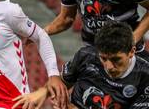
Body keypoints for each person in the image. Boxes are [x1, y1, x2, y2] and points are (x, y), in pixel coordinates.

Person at [13, 21, 149, 109]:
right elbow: (63, 81)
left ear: (132, 51)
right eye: (103, 58)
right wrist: (43, 92)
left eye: (116, 59)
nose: (109, 67)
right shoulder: (86, 55)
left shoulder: (145, 75)